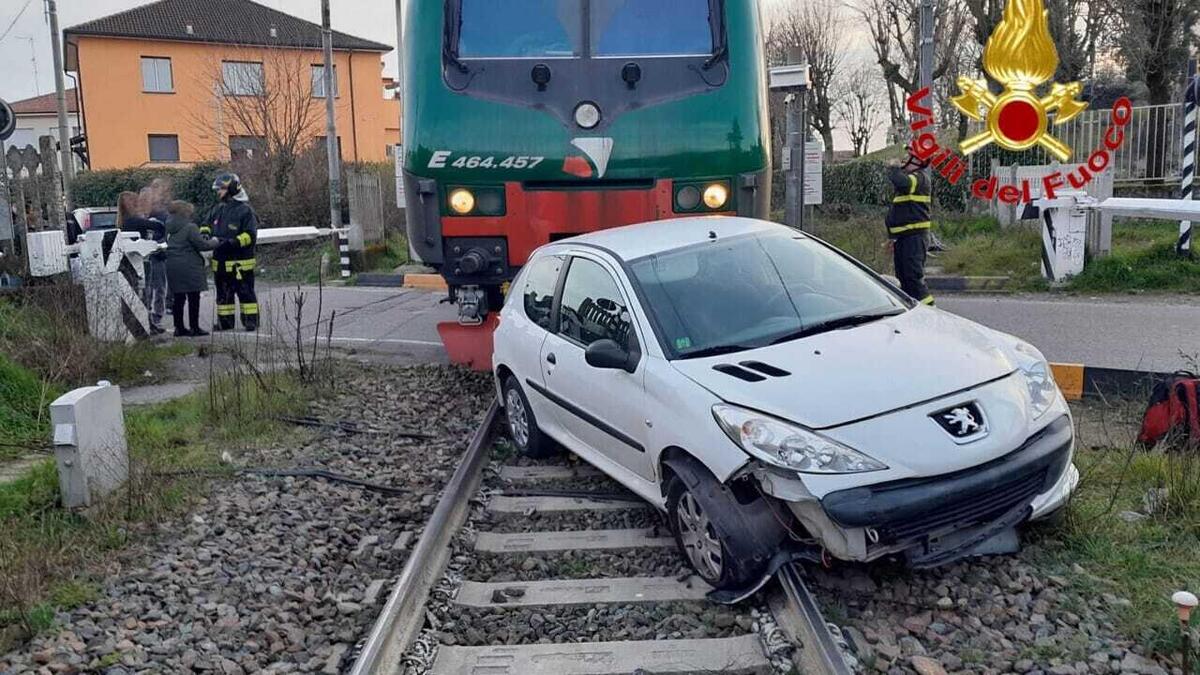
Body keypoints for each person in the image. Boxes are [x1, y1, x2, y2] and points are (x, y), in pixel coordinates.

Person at [202, 173, 259, 331]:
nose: (218, 192)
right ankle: (224, 323)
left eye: (221, 189)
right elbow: (206, 224)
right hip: (220, 262)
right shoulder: (218, 209)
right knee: (223, 296)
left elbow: (250, 235)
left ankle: (250, 321)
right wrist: (205, 234)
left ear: (231, 189)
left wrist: (232, 243)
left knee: (245, 293)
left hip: (240, 263)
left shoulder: (245, 211)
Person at [164, 200, 220, 337]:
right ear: (185, 212)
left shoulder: (169, 227)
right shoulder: (190, 227)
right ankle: (194, 327)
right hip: (189, 266)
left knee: (178, 298)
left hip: (172, 264)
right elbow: (202, 245)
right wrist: (215, 241)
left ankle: (179, 328)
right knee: (194, 297)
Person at [885, 154, 935, 306]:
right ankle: (913, 314)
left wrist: (894, 167)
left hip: (914, 238)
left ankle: (930, 312)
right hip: (904, 238)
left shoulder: (919, 178)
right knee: (903, 281)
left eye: (908, 156)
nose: (904, 159)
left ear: (918, 161)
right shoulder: (913, 178)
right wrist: (892, 237)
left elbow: (903, 183)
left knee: (913, 280)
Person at [117, 191, 168, 334]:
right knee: (144, 293)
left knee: (144, 293)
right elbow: (159, 227)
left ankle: (148, 323)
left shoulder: (124, 220)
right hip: (139, 262)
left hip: (134, 262)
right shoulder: (132, 220)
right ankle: (146, 324)